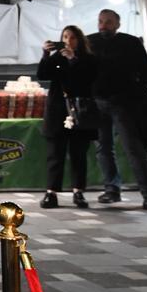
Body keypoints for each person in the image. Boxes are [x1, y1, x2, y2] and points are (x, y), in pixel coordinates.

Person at [86, 9, 147, 210]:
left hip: (124, 103)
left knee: (133, 148)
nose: (103, 25)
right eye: (101, 21)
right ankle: (112, 189)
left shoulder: (130, 43)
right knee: (103, 149)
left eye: (108, 22)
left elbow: (146, 72)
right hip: (98, 102)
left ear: (117, 24)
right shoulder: (89, 42)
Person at [36, 25, 99, 209]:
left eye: (72, 37)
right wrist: (45, 55)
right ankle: (51, 192)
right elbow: (42, 75)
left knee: (79, 153)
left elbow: (88, 79)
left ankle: (78, 191)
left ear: (79, 40)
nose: (68, 41)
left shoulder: (88, 59)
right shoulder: (57, 57)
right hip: (58, 110)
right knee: (55, 153)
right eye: (65, 37)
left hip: (80, 111)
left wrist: (74, 60)